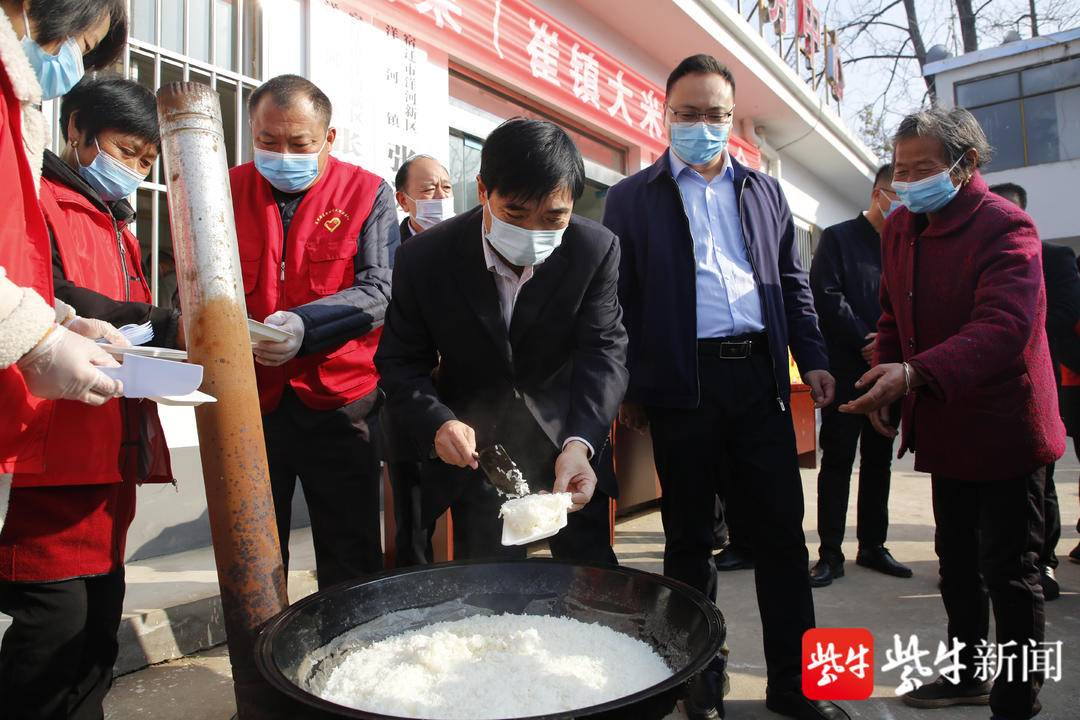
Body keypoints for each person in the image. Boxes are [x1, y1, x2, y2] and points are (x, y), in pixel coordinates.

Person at [603, 54, 841, 720]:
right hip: (685, 388)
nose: (701, 125)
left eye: (715, 115)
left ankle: (800, 687)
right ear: (666, 114)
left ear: (731, 120)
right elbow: (618, 302)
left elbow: (790, 284)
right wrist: (629, 389)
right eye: (688, 113)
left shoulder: (764, 192)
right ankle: (697, 682)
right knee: (687, 542)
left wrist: (812, 355)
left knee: (783, 541)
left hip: (759, 383)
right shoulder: (631, 197)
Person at [842, 108, 1063, 719]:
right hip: (944, 421)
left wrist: (913, 376)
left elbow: (1004, 328)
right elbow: (893, 316)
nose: (908, 183)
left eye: (924, 169)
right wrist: (887, 377)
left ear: (966, 167)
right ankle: (967, 673)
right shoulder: (901, 226)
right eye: (900, 170)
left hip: (1005, 427)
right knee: (957, 563)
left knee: (1011, 570)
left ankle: (1019, 698)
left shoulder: (1007, 228)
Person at [375, 117, 627, 565]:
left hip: (564, 446)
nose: (533, 231)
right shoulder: (424, 257)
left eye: (553, 217)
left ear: (573, 202)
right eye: (514, 213)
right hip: (476, 453)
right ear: (482, 190)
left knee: (592, 581)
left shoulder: (595, 250)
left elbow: (603, 352)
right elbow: (400, 361)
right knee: (487, 586)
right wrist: (437, 422)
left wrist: (581, 443)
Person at [0, 4, 143, 718]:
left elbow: (50, 301)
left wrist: (67, 324)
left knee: (96, 624)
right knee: (49, 622)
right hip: (45, 444)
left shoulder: (122, 226)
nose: (136, 172)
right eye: (74, 45)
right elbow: (42, 286)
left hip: (105, 442)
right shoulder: (46, 193)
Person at [230, 74, 396, 589]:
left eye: (299, 143)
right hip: (250, 400)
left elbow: (380, 289)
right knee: (252, 554)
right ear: (251, 133)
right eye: (267, 142)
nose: (282, 154)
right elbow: (191, 283)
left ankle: (347, 659)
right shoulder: (225, 190)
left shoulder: (367, 193)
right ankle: (260, 665)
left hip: (342, 400)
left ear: (328, 138)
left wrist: (307, 324)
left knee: (350, 551)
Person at [807, 163, 911, 587]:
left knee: (879, 461)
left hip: (891, 370)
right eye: (897, 197)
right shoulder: (838, 238)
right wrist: (866, 339)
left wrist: (890, 347)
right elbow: (826, 295)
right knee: (837, 461)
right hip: (848, 368)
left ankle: (873, 545)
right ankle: (830, 552)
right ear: (878, 194)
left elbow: (909, 301)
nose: (903, 207)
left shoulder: (906, 242)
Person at [990, 181, 1080, 602]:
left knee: (1040, 479)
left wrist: (1013, 336)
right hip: (989, 388)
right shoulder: (981, 259)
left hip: (1041, 381)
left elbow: (1062, 314)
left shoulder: (1056, 259)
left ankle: (1043, 560)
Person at [384, 153, 454, 566]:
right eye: (428, 190)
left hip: (460, 395)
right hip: (409, 394)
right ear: (403, 199)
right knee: (411, 510)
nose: (440, 196)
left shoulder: (470, 240)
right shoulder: (386, 249)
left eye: (446, 188)